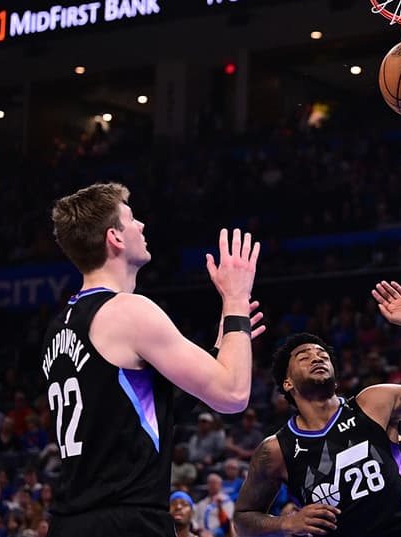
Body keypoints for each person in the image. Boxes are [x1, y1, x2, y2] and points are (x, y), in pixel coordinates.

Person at [44, 183, 264, 536]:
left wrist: (223, 345)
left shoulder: (60, 326)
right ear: (115, 237)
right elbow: (233, 395)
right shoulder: (129, 311)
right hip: (126, 521)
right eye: (132, 218)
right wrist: (236, 299)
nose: (142, 226)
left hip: (71, 521)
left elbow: (152, 412)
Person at [233, 281, 401, 537]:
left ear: (336, 379)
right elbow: (242, 519)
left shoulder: (373, 403)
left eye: (323, 356)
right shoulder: (275, 450)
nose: (317, 357)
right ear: (287, 383)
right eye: (304, 357)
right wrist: (286, 523)